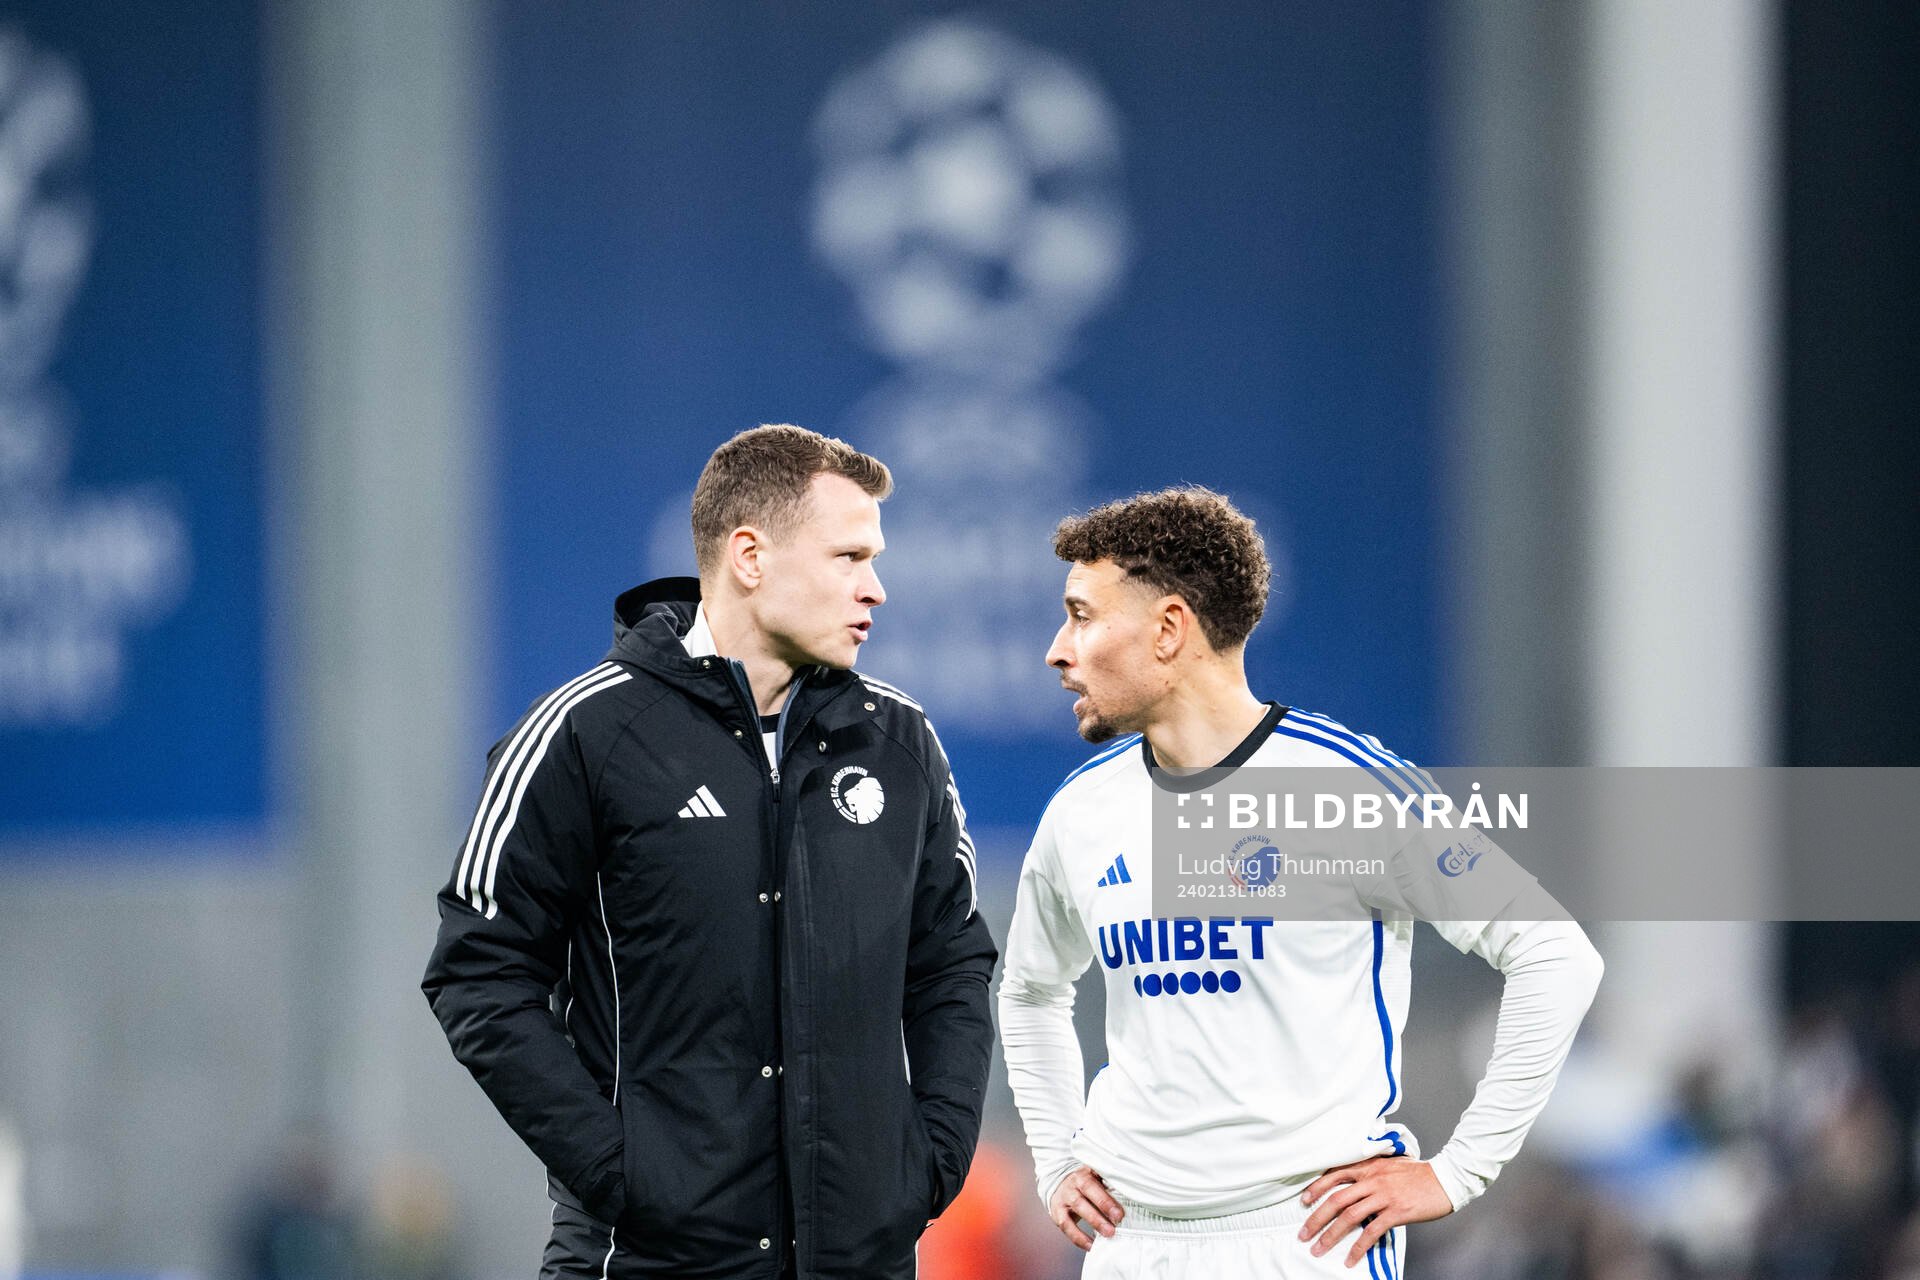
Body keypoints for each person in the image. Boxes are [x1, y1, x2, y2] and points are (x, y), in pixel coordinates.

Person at [423, 425, 999, 1280]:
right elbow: (478, 971)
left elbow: (951, 963)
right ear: (750, 557)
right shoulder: (583, 734)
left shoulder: (899, 742)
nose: (875, 588)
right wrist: (619, 1172)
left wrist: (932, 1160)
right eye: (848, 557)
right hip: (645, 1260)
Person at [998, 486, 1603, 1278]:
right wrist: (1054, 1157)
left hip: (1307, 1240)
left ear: (1170, 629)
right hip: (1131, 1245)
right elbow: (1031, 991)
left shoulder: (1345, 788)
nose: (1058, 649)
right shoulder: (1082, 810)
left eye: (1081, 616)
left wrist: (1460, 1172)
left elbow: (1554, 954)